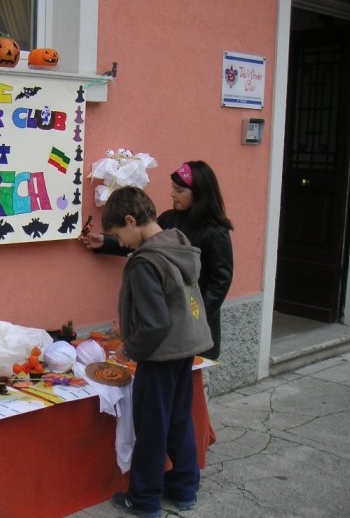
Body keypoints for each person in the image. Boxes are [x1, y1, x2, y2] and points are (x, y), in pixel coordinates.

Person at [101, 186, 213, 518]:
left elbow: (154, 323)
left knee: (150, 427)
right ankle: (184, 489)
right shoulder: (176, 244)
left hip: (159, 355)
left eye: (118, 234)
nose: (120, 243)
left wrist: (128, 350)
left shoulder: (145, 262)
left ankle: (145, 499)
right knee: (179, 422)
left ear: (131, 220)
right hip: (184, 350)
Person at [82, 160, 233, 360]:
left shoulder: (216, 232)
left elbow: (220, 282)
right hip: (167, 334)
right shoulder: (170, 219)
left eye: (179, 191)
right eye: (173, 188)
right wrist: (107, 242)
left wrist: (193, 315)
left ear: (200, 194)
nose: (172, 194)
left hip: (195, 329)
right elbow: (144, 242)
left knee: (193, 387)